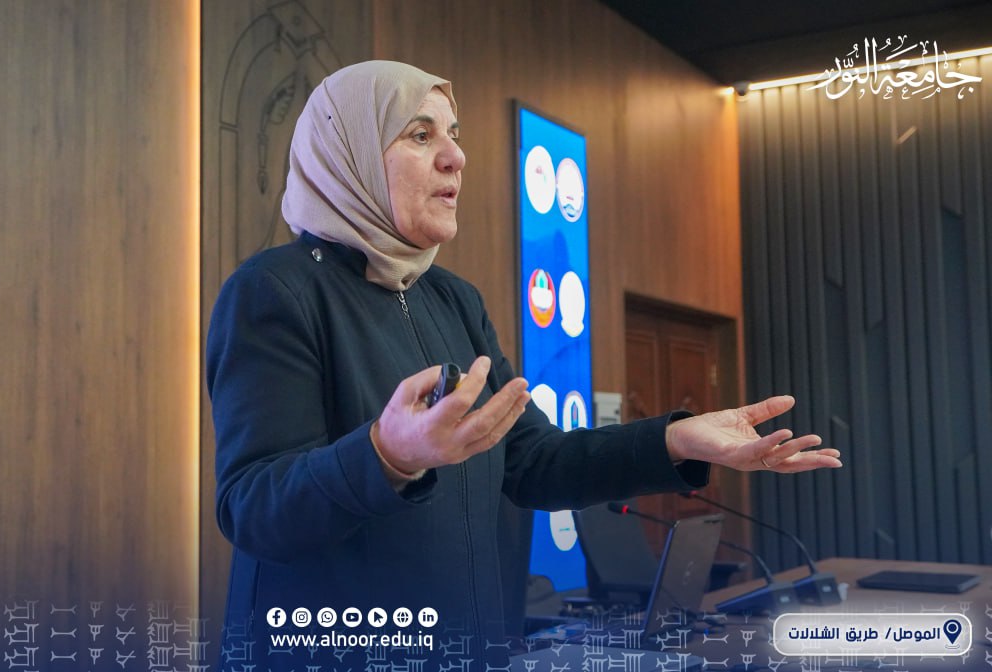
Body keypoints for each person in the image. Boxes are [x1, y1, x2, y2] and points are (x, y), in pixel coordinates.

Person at [206, 60, 841, 670]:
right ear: (348, 156)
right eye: (420, 135)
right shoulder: (275, 292)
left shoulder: (453, 299)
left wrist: (674, 440)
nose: (455, 156)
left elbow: (533, 460)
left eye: (453, 134)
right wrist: (386, 456)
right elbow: (252, 507)